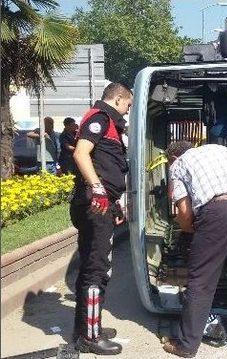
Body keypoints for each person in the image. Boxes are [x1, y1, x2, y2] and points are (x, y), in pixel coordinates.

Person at [162, 141, 227, 358]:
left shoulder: (178, 165)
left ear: (173, 157)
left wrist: (189, 230)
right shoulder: (220, 149)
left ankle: (187, 345)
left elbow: (185, 213)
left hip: (217, 211)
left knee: (201, 281)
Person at [70, 83, 132, 355]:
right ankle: (90, 337)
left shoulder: (109, 123)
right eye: (128, 105)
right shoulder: (100, 118)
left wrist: (115, 204)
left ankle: (85, 328)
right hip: (96, 204)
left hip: (101, 204)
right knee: (98, 270)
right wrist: (98, 189)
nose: (128, 110)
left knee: (89, 268)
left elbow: (106, 165)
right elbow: (80, 153)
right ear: (118, 99)